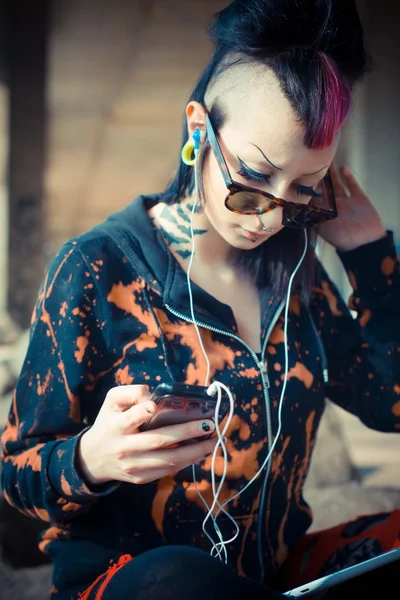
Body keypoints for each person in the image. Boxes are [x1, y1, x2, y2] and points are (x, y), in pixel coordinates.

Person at [1, 0, 400, 598]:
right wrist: (89, 459)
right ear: (199, 130)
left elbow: (391, 403)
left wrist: (370, 254)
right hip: (131, 583)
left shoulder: (297, 277)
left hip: (274, 574)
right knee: (179, 581)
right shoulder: (95, 269)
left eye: (305, 191)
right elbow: (13, 472)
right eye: (254, 178)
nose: (272, 216)